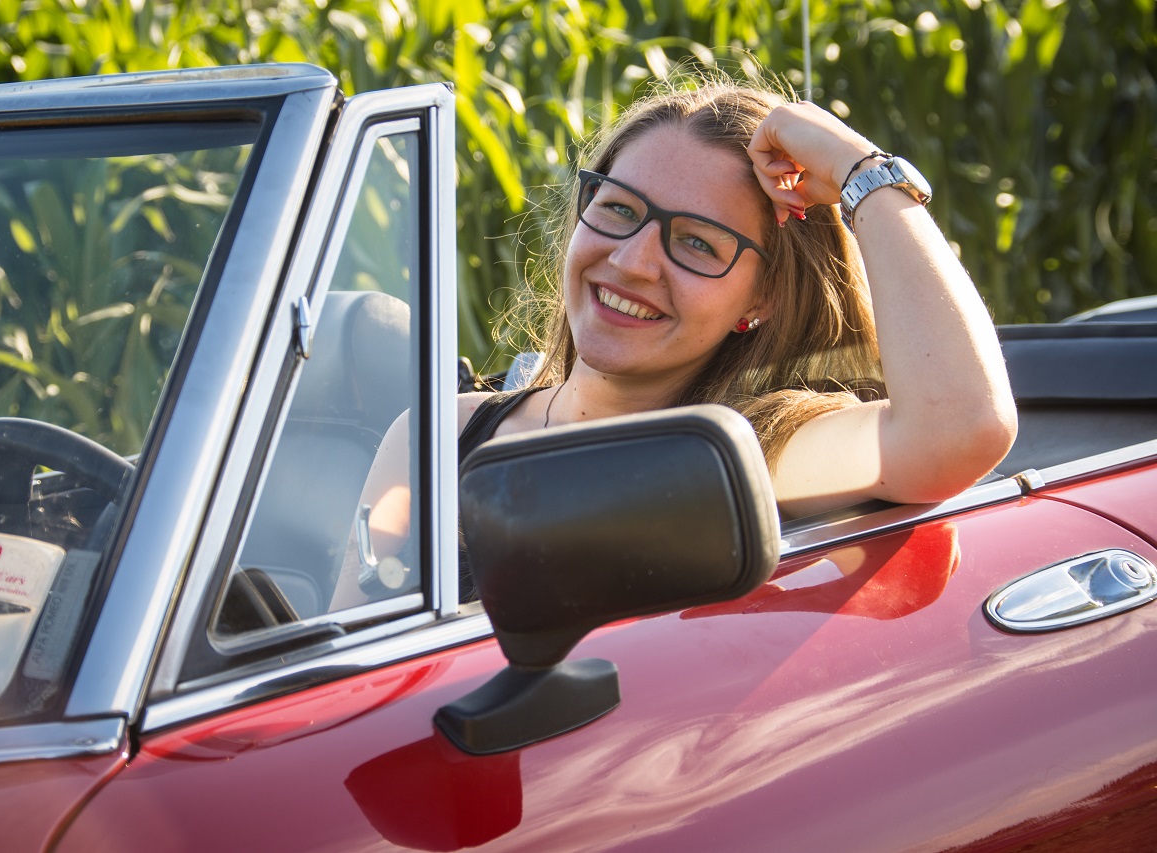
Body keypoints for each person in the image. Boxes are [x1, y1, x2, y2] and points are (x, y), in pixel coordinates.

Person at [330, 75, 1017, 610]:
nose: (632, 262)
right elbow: (340, 685)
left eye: (696, 243)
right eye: (618, 209)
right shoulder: (434, 438)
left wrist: (860, 170)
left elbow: (963, 426)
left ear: (762, 299)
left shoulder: (745, 450)